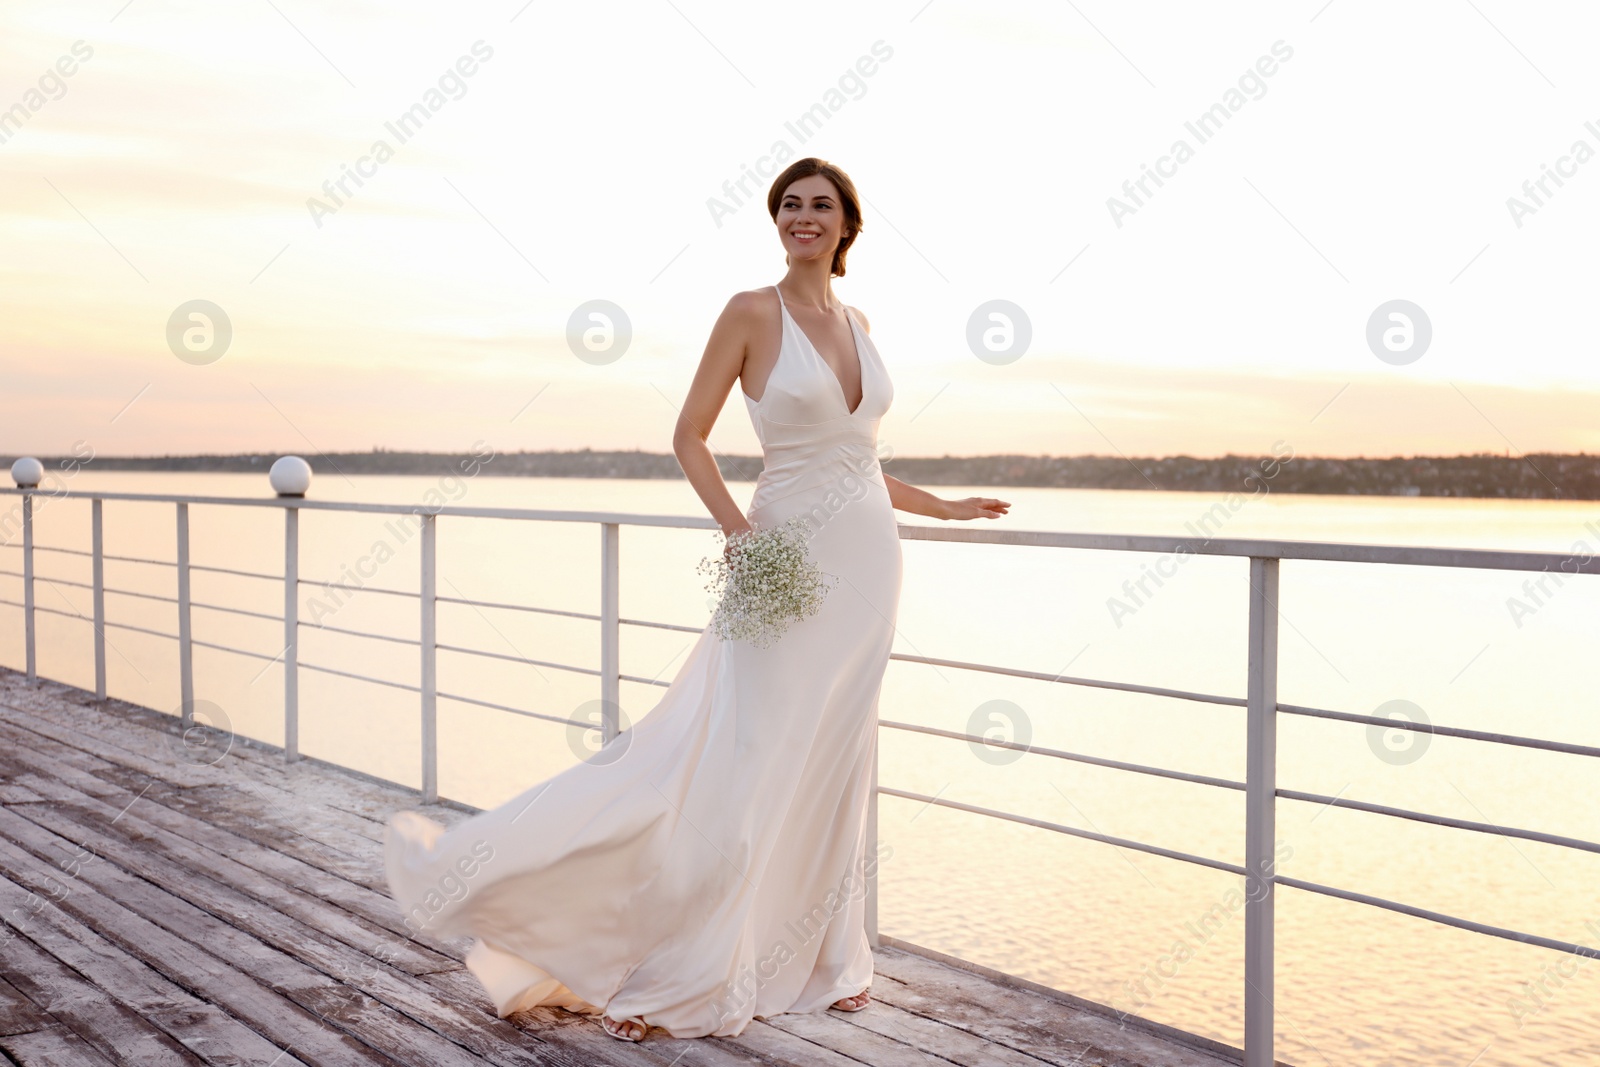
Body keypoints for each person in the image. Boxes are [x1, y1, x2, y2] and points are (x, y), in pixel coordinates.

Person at [385, 157, 1010, 1043]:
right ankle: (688, 968)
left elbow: (858, 456)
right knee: (744, 753)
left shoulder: (860, 320)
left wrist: (943, 504)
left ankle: (827, 958)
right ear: (778, 221)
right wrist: (735, 528)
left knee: (836, 757)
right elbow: (688, 436)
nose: (803, 217)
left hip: (869, 560)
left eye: (820, 206)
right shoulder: (752, 312)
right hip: (781, 561)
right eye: (789, 205)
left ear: (847, 225)